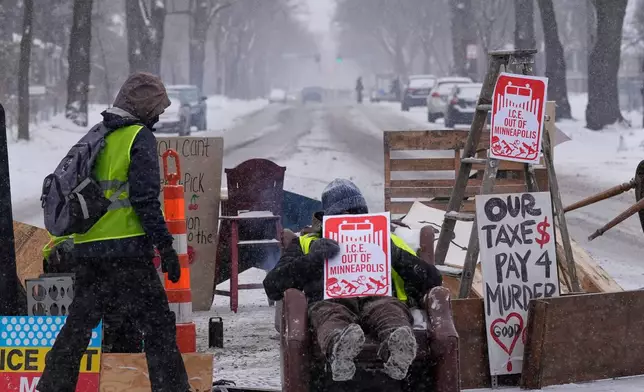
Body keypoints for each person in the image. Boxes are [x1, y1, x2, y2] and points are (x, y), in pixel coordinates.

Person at [36, 72, 191, 392]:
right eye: (158, 110)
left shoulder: (98, 135)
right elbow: (145, 200)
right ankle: (173, 389)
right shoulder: (139, 137)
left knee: (77, 329)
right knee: (158, 326)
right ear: (146, 109)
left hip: (90, 249)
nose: (160, 116)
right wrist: (165, 247)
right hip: (128, 252)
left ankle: (51, 387)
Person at [263, 179, 442, 382]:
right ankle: (339, 349)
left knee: (390, 311)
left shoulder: (387, 239)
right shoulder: (306, 243)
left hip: (379, 297)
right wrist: (312, 260)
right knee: (329, 313)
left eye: (357, 213)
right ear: (327, 219)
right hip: (330, 301)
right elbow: (272, 286)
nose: (350, 220)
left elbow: (432, 279)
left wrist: (394, 255)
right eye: (341, 215)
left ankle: (397, 349)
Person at [41, 235, 144, 354]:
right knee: (114, 310)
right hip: (98, 248)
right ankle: (113, 351)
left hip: (62, 253)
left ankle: (68, 358)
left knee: (78, 313)